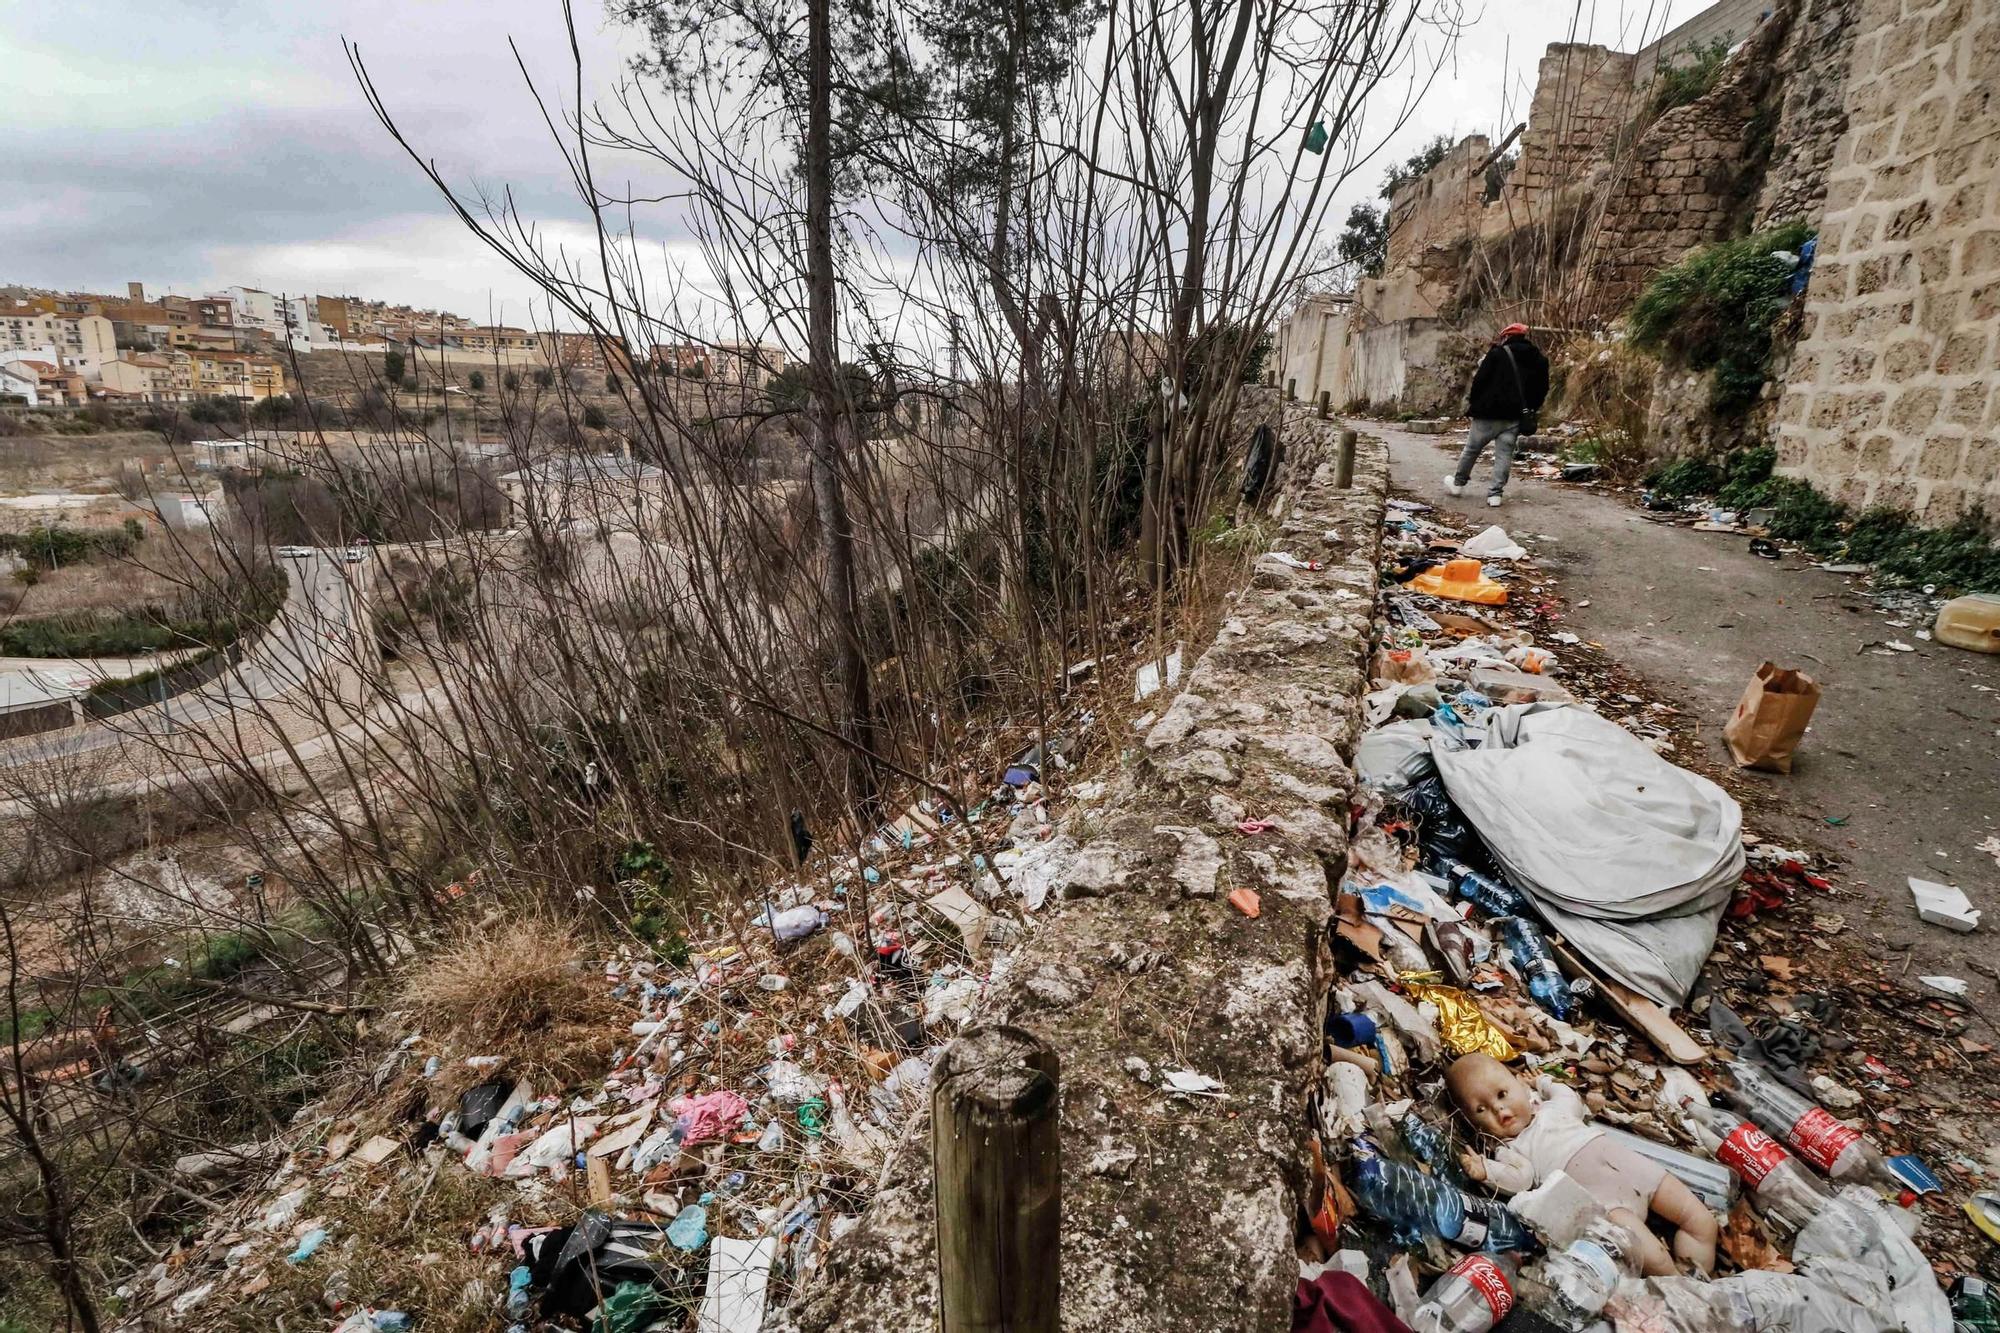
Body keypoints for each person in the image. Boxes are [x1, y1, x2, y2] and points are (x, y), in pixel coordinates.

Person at [1445, 322, 1548, 507]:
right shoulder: (1539, 359)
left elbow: (1479, 382)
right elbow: (1542, 389)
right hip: (1516, 417)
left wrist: (1474, 405)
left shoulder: (1496, 354)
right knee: (1504, 455)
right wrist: (1531, 409)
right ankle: (1495, 495)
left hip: (1488, 413)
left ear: (1507, 337)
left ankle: (1458, 484)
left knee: (1472, 449)